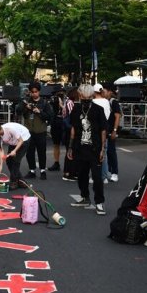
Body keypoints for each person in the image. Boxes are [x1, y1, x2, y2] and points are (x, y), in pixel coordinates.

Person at [68, 84, 108, 215]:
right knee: (81, 175)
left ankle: (99, 202)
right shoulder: (76, 109)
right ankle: (85, 197)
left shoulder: (98, 109)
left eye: (89, 98)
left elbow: (103, 130)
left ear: (92, 96)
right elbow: (73, 128)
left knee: (97, 177)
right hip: (80, 148)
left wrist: (102, 149)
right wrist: (70, 146)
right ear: (79, 96)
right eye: (83, 97)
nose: (86, 100)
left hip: (95, 148)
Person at [20, 83, 52, 179]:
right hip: (29, 131)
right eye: (32, 92)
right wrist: (26, 107)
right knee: (29, 152)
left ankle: (43, 171)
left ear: (39, 92)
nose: (34, 94)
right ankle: (32, 170)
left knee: (41, 151)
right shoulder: (26, 101)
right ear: (30, 92)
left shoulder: (45, 103)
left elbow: (50, 116)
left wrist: (40, 112)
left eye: (36, 92)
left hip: (41, 131)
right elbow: (17, 111)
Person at [0, 120, 31, 190]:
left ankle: (14, 182)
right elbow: (1, 151)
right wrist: (0, 165)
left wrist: (15, 150)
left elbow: (21, 140)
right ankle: (21, 181)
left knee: (16, 161)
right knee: (9, 161)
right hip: (13, 142)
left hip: (24, 139)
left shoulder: (10, 129)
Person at [104, 84, 122, 182]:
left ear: (110, 91)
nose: (103, 92)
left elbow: (117, 116)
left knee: (111, 152)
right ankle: (108, 171)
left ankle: (115, 173)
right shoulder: (104, 101)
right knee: (105, 152)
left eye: (105, 90)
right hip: (105, 130)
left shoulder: (113, 102)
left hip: (111, 130)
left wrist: (115, 131)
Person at [48, 87, 65, 171]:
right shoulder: (53, 100)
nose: (60, 94)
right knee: (56, 144)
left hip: (64, 123)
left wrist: (61, 105)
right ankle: (56, 162)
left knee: (68, 144)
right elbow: (52, 111)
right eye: (58, 93)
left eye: (61, 92)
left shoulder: (67, 100)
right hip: (55, 122)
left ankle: (69, 164)